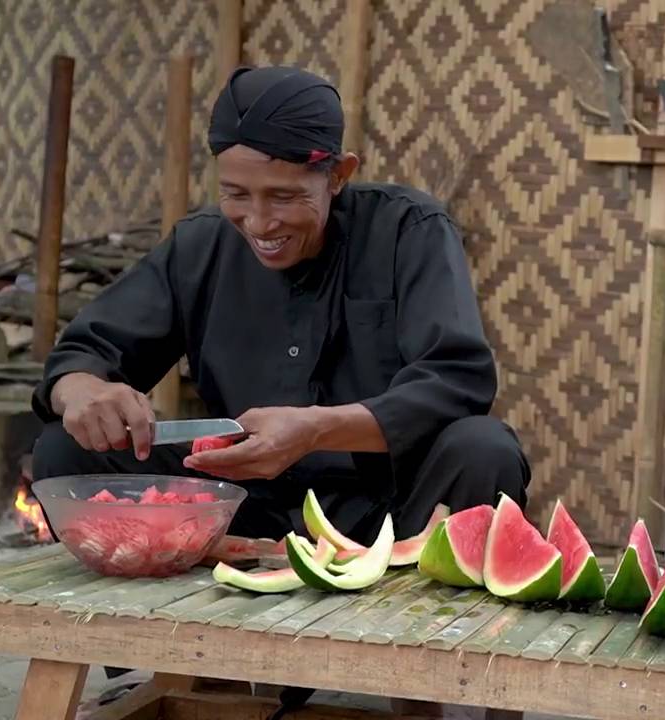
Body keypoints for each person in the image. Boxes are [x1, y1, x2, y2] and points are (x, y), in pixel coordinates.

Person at [29, 66, 530, 714]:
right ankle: (168, 659)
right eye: (236, 193)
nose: (258, 221)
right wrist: (83, 392)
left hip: (386, 513)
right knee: (66, 449)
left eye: (285, 196)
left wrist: (317, 428)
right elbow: (83, 354)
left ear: (340, 174)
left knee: (483, 448)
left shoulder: (410, 229)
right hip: (238, 514)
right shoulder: (200, 246)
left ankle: (422, 682)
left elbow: (458, 377)